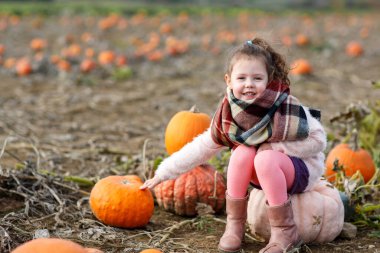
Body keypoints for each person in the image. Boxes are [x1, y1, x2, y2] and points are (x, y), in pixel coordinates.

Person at [140, 37, 326, 253]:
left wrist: (277, 148)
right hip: (265, 170)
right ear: (228, 80)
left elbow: (318, 140)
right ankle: (234, 225)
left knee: (265, 157)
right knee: (242, 152)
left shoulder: (284, 105)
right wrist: (163, 173)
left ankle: (285, 231)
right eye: (242, 78)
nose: (249, 84)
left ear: (268, 79)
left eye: (257, 78)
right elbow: (201, 147)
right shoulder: (229, 114)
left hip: (299, 170)